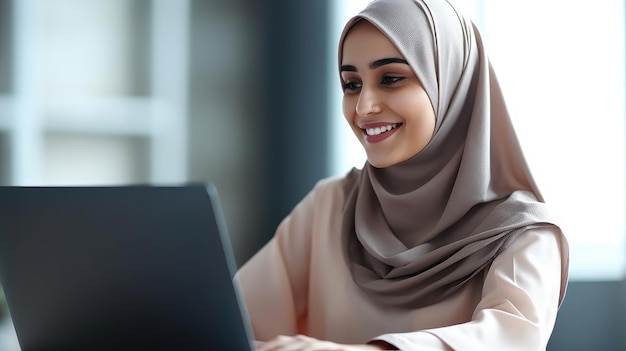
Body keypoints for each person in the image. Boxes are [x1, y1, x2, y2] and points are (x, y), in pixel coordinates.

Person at [235, 0, 569, 350]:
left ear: (451, 83)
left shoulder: (524, 234)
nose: (364, 107)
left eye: (391, 79)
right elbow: (226, 326)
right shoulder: (331, 206)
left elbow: (511, 340)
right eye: (351, 84)